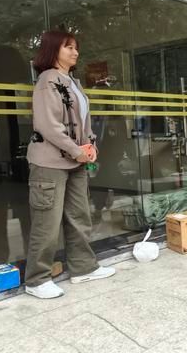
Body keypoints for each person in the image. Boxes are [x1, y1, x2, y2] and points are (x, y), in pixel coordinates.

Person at [24, 30, 115, 299]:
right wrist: (76, 151)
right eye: (69, 47)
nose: (75, 52)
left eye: (76, 47)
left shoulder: (72, 81)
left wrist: (90, 145)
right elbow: (48, 126)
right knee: (47, 222)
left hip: (75, 161)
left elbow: (83, 122)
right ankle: (37, 280)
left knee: (79, 216)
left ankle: (83, 267)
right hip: (49, 162)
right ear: (54, 50)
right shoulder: (47, 80)